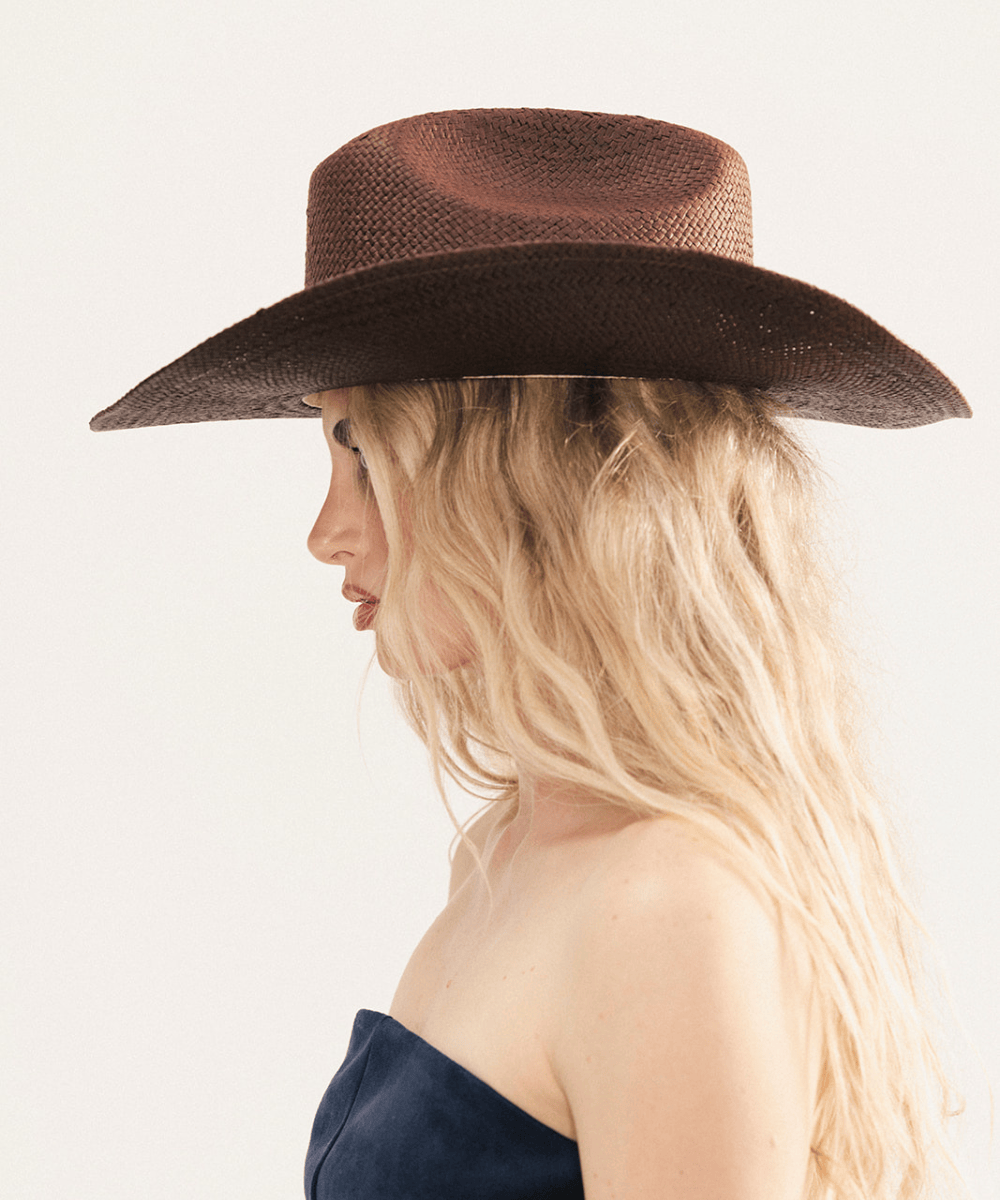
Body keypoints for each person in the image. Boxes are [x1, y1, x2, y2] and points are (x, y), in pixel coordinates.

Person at [91, 108, 977, 1200]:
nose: (326, 531)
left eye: (362, 454)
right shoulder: (514, 845)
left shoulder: (668, 909)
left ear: (542, 489)